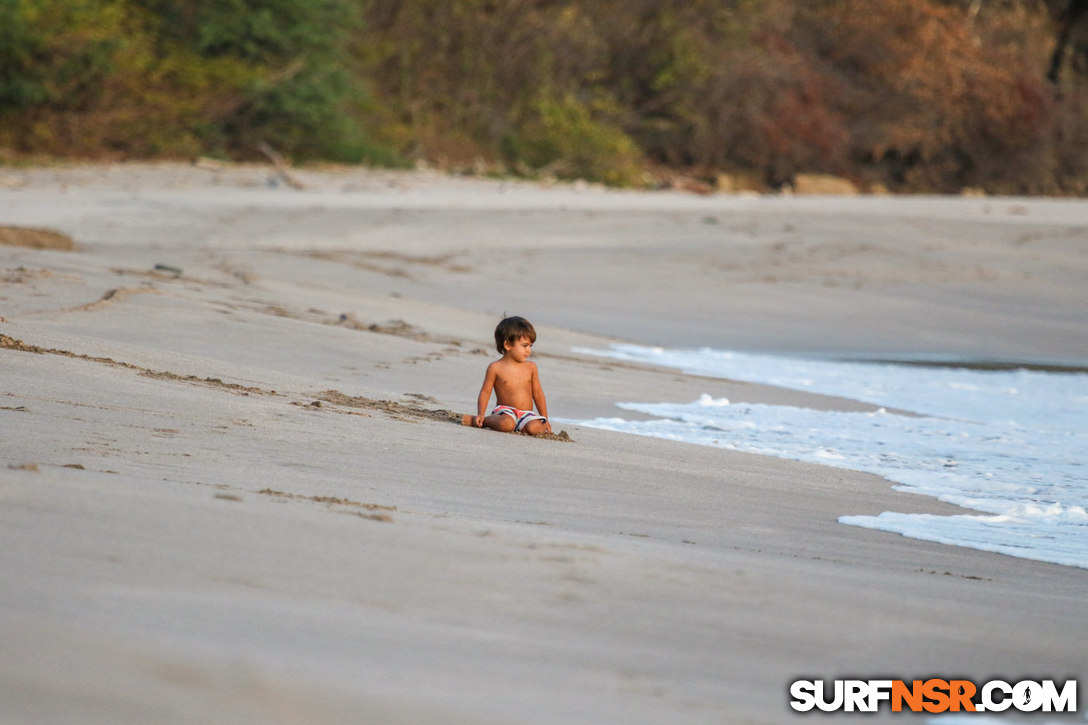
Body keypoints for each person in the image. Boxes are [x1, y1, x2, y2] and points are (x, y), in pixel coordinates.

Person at [464, 316, 552, 435]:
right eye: (524, 346)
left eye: (530, 346)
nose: (529, 351)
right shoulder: (495, 367)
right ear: (508, 345)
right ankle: (482, 421)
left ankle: (523, 426)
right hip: (505, 412)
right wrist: (481, 414)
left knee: (535, 428)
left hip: (526, 414)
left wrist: (545, 419)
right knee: (506, 424)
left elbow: (538, 393)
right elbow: (485, 391)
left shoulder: (531, 367)